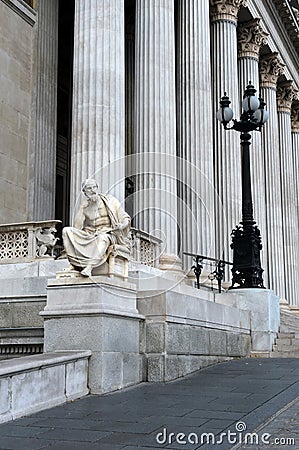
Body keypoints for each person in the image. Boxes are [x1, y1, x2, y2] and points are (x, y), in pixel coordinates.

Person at [62, 179, 131, 277]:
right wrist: (81, 208)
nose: (93, 190)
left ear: (97, 188)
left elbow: (125, 218)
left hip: (109, 233)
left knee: (102, 238)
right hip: (90, 234)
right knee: (67, 231)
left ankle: (89, 267)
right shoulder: (85, 206)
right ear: (84, 192)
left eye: (94, 187)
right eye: (89, 188)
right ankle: (76, 263)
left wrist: (121, 225)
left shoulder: (110, 201)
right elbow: (77, 227)